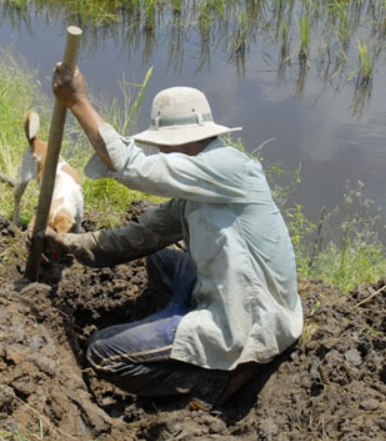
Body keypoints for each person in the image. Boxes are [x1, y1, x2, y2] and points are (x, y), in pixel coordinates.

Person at [34, 63, 303, 410]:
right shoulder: (199, 188)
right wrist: (68, 244)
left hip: (254, 320)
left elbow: (133, 168)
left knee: (102, 352)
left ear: (188, 141)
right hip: (231, 293)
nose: (161, 153)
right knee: (160, 258)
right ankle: (180, 329)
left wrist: (79, 102)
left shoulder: (231, 168)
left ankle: (211, 382)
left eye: (165, 146)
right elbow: (142, 236)